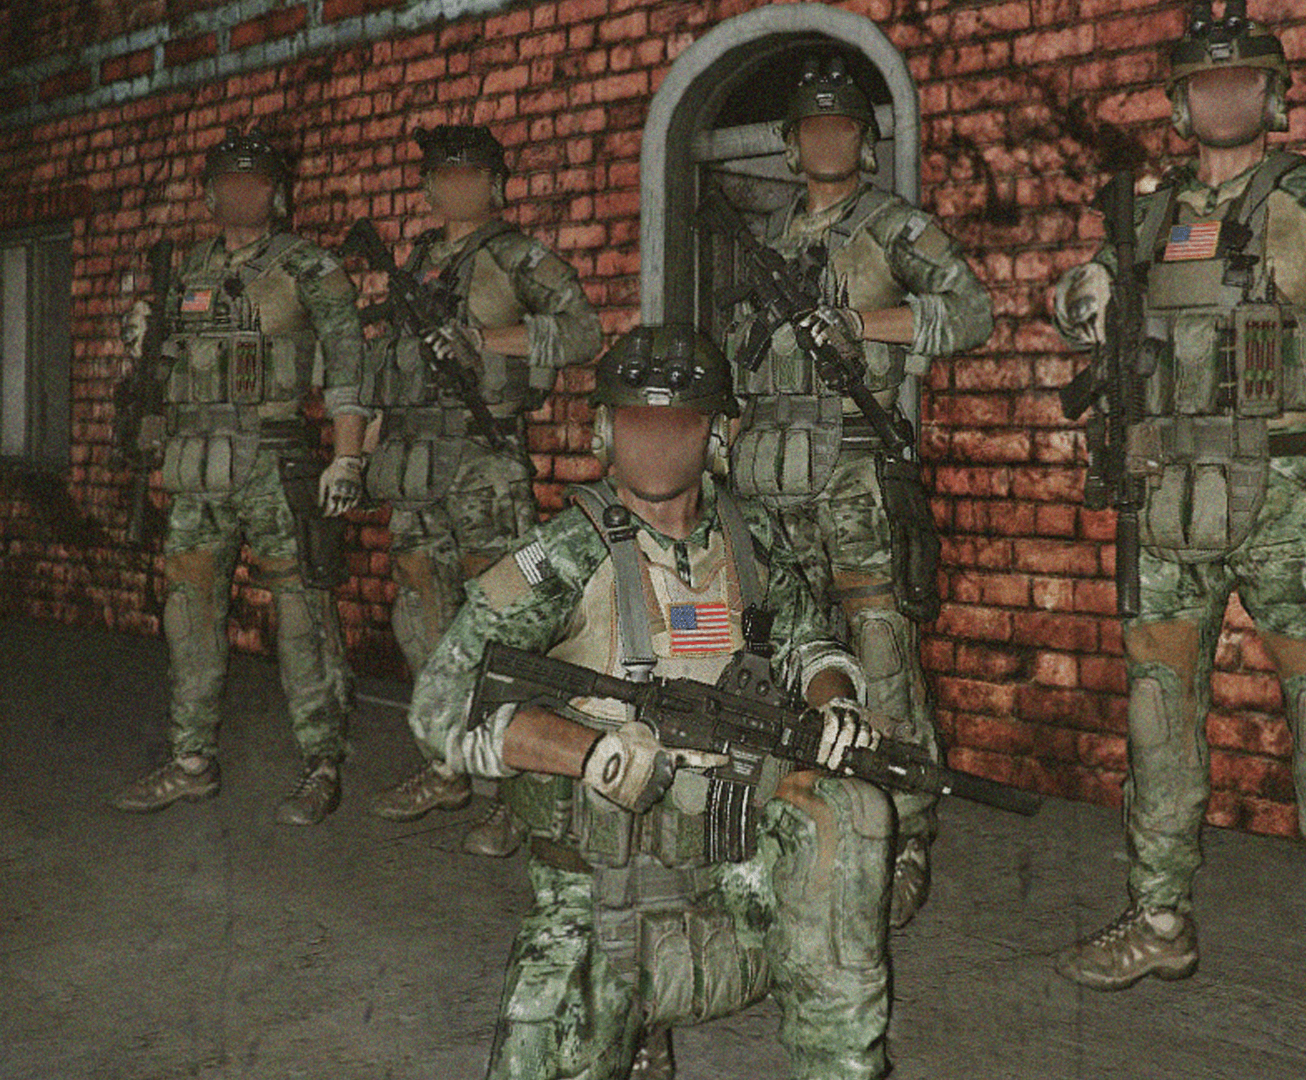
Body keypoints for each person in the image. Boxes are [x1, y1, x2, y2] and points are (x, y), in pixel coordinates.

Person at [1048, 1, 1306, 1059]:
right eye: (1204, 84)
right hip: (1163, 492)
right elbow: (1093, 310)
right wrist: (1083, 292)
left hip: (1285, 495)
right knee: (1156, 712)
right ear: (1181, 104)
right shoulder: (1145, 217)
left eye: (1242, 81)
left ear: (1272, 96)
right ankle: (1159, 918)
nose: (1223, 97)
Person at [406, 325, 891, 1080]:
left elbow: (811, 645)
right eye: (636, 424)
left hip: (739, 869)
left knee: (853, 812)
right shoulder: (563, 556)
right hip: (599, 891)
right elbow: (439, 704)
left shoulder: (752, 541)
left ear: (716, 434)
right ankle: (628, 1028)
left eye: (677, 425)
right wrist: (589, 751)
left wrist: (835, 705)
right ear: (605, 430)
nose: (654, 444)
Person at [723, 55, 993, 928]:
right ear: (792, 143)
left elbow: (973, 312)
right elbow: (740, 355)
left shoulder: (893, 227)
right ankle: (798, 816)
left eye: (841, 127)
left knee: (881, 658)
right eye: (812, 128)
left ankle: (906, 835)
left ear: (864, 143)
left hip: (853, 472)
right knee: (782, 652)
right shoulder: (768, 237)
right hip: (768, 477)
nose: (826, 140)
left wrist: (863, 323)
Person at [110, 129, 368, 826]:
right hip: (196, 466)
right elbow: (162, 365)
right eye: (227, 184)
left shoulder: (309, 268)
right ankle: (192, 761)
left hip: (275, 461)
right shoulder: (186, 271)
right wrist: (142, 337)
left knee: (302, 619)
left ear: (276, 195)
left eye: (253, 184)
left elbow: (349, 369)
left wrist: (347, 458)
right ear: (208, 195)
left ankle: (321, 764)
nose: (240, 196)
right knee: (189, 615)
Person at [362, 124, 602, 858]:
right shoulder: (416, 263)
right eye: (444, 175)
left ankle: (512, 794)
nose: (456, 187)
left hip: (483, 459)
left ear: (495, 184)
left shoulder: (516, 256)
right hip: (414, 461)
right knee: (421, 612)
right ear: (427, 186)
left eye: (471, 174)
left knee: (503, 619)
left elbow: (583, 332)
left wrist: (486, 341)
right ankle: (448, 765)